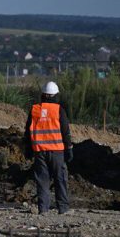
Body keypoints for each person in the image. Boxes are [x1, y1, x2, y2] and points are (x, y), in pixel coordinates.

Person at [24, 81, 72, 215]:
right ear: (55, 95)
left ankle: (43, 209)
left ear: (43, 95)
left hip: (39, 151)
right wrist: (69, 148)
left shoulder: (34, 110)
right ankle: (62, 208)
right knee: (60, 179)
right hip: (56, 151)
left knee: (42, 180)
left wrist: (28, 148)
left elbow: (27, 131)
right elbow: (65, 131)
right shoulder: (58, 110)